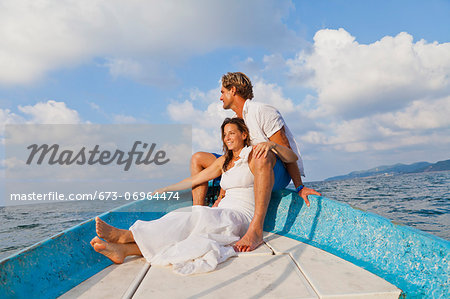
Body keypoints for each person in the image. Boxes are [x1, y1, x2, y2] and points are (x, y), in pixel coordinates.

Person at [91, 118, 298, 275]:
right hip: (221, 211)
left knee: (195, 219)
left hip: (240, 217)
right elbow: (196, 179)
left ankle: (127, 236)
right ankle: (124, 251)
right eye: (224, 135)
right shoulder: (225, 161)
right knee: (185, 228)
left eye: (232, 133)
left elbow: (291, 157)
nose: (227, 138)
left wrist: (273, 145)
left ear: (244, 134)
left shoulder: (254, 154)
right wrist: (165, 189)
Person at [191, 72, 321, 252]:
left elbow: (287, 152)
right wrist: (221, 197)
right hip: (249, 166)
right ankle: (198, 217)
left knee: (260, 153)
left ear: (233, 90)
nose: (220, 97)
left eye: (222, 92)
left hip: (275, 171)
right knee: (198, 158)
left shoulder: (262, 111)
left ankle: (256, 229)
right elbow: (231, 163)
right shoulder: (236, 122)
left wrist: (299, 186)